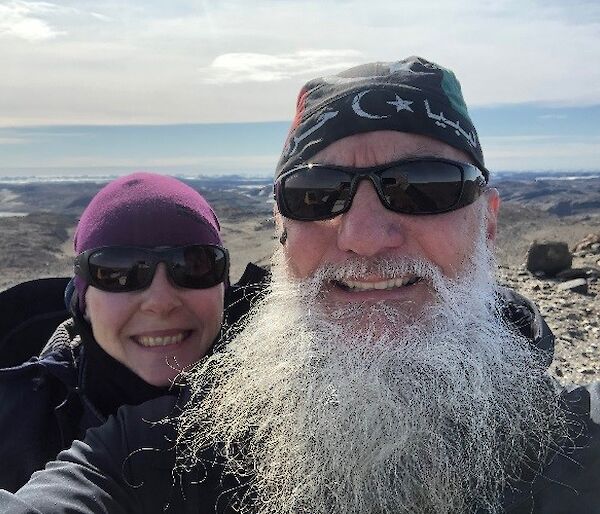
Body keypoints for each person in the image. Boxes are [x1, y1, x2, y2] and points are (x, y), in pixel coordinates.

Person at [1, 57, 599, 513]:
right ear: (282, 232)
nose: (363, 237)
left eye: (426, 185)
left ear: (489, 221)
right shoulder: (167, 445)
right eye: (317, 195)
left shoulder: (577, 439)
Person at [0, 172, 267, 493]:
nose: (160, 302)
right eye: (119, 272)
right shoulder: (14, 424)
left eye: (195, 265)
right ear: (82, 300)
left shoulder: (282, 406)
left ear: (223, 289)